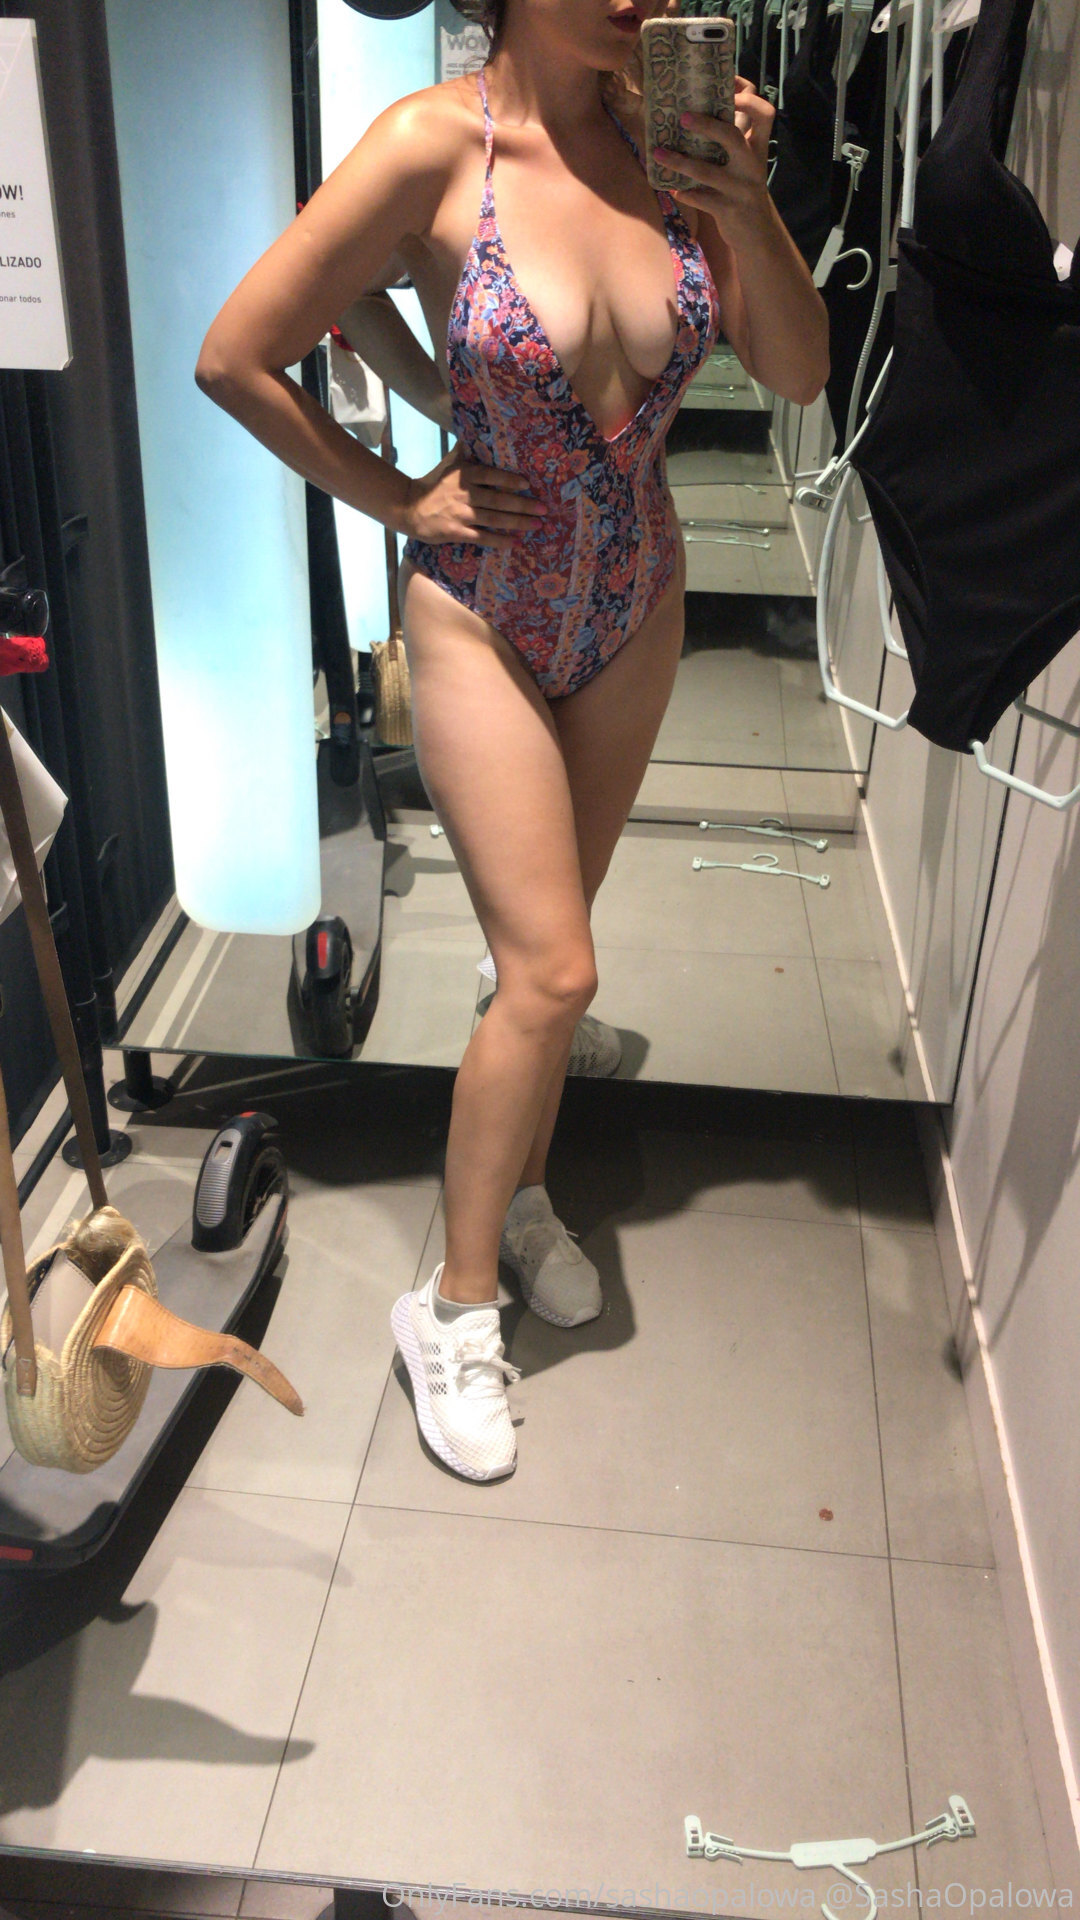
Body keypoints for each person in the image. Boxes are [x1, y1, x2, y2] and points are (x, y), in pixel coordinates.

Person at [195, 0, 828, 1486]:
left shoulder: (679, 155)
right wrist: (396, 494)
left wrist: (750, 204)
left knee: (547, 962)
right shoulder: (433, 148)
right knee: (552, 973)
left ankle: (528, 1196)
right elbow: (236, 354)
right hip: (482, 607)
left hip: (637, 603)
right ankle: (453, 1305)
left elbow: (799, 371)